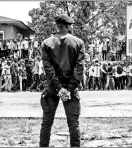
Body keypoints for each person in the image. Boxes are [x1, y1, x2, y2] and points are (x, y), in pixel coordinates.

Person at [39, 14, 85, 147]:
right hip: (70, 88)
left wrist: (59, 88)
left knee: (46, 123)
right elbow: (79, 68)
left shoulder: (46, 43)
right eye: (70, 25)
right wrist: (69, 88)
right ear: (68, 26)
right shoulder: (78, 42)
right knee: (73, 124)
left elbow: (48, 69)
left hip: (52, 88)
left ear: (57, 26)